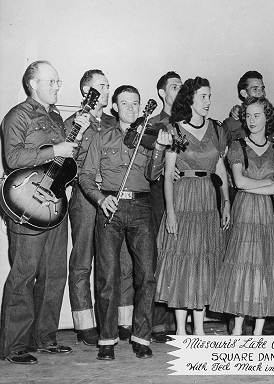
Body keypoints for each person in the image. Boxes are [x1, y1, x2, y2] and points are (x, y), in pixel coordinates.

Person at [0, 61, 82, 364]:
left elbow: (64, 160)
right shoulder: (17, 116)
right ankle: (13, 346)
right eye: (52, 82)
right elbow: (13, 158)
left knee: (54, 274)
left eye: (58, 82)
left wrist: (75, 140)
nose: (57, 87)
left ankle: (45, 338)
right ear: (33, 84)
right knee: (24, 275)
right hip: (26, 204)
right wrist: (55, 150)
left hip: (53, 205)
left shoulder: (57, 117)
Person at [80, 85, 161, 360]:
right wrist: (101, 199)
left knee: (146, 274)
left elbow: (153, 174)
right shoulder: (102, 137)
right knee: (107, 276)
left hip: (141, 206)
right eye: (124, 103)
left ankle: (141, 337)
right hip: (110, 207)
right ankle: (107, 339)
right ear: (114, 107)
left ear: (140, 107)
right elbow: (86, 176)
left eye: (135, 103)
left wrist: (160, 149)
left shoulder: (149, 137)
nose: (130, 107)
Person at [154, 77, 230, 336]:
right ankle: (181, 329)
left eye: (210, 96)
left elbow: (220, 167)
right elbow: (167, 174)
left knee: (202, 262)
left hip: (208, 199)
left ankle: (198, 329)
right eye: (203, 97)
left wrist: (227, 202)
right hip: (183, 198)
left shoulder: (216, 130)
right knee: (182, 262)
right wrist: (171, 213)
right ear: (191, 100)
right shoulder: (174, 129)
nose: (208, 102)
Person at [65, 69, 135, 346]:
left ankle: (123, 320)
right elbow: (65, 160)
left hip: (113, 194)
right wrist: (78, 132)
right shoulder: (73, 121)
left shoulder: (114, 122)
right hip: (84, 196)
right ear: (87, 92)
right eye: (101, 86)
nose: (107, 90)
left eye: (108, 85)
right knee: (83, 258)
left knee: (121, 258)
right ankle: (84, 325)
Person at [211, 97, 274, 335]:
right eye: (248, 116)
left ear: (267, 117)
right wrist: (268, 183)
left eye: (257, 115)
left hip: (270, 214)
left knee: (266, 266)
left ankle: (258, 330)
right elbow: (240, 182)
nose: (251, 120)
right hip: (245, 212)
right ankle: (237, 329)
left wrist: (259, 186)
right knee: (242, 267)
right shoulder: (238, 147)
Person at [146, 71, 182, 343]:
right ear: (161, 92)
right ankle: (159, 322)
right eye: (173, 86)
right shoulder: (154, 123)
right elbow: (150, 162)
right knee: (161, 253)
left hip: (189, 196)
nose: (179, 90)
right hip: (159, 194)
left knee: (184, 252)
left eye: (182, 86)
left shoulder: (189, 122)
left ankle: (180, 319)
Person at [221, 71, 266, 144]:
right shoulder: (231, 125)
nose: (261, 93)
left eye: (262, 89)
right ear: (244, 93)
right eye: (255, 89)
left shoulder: (270, 120)